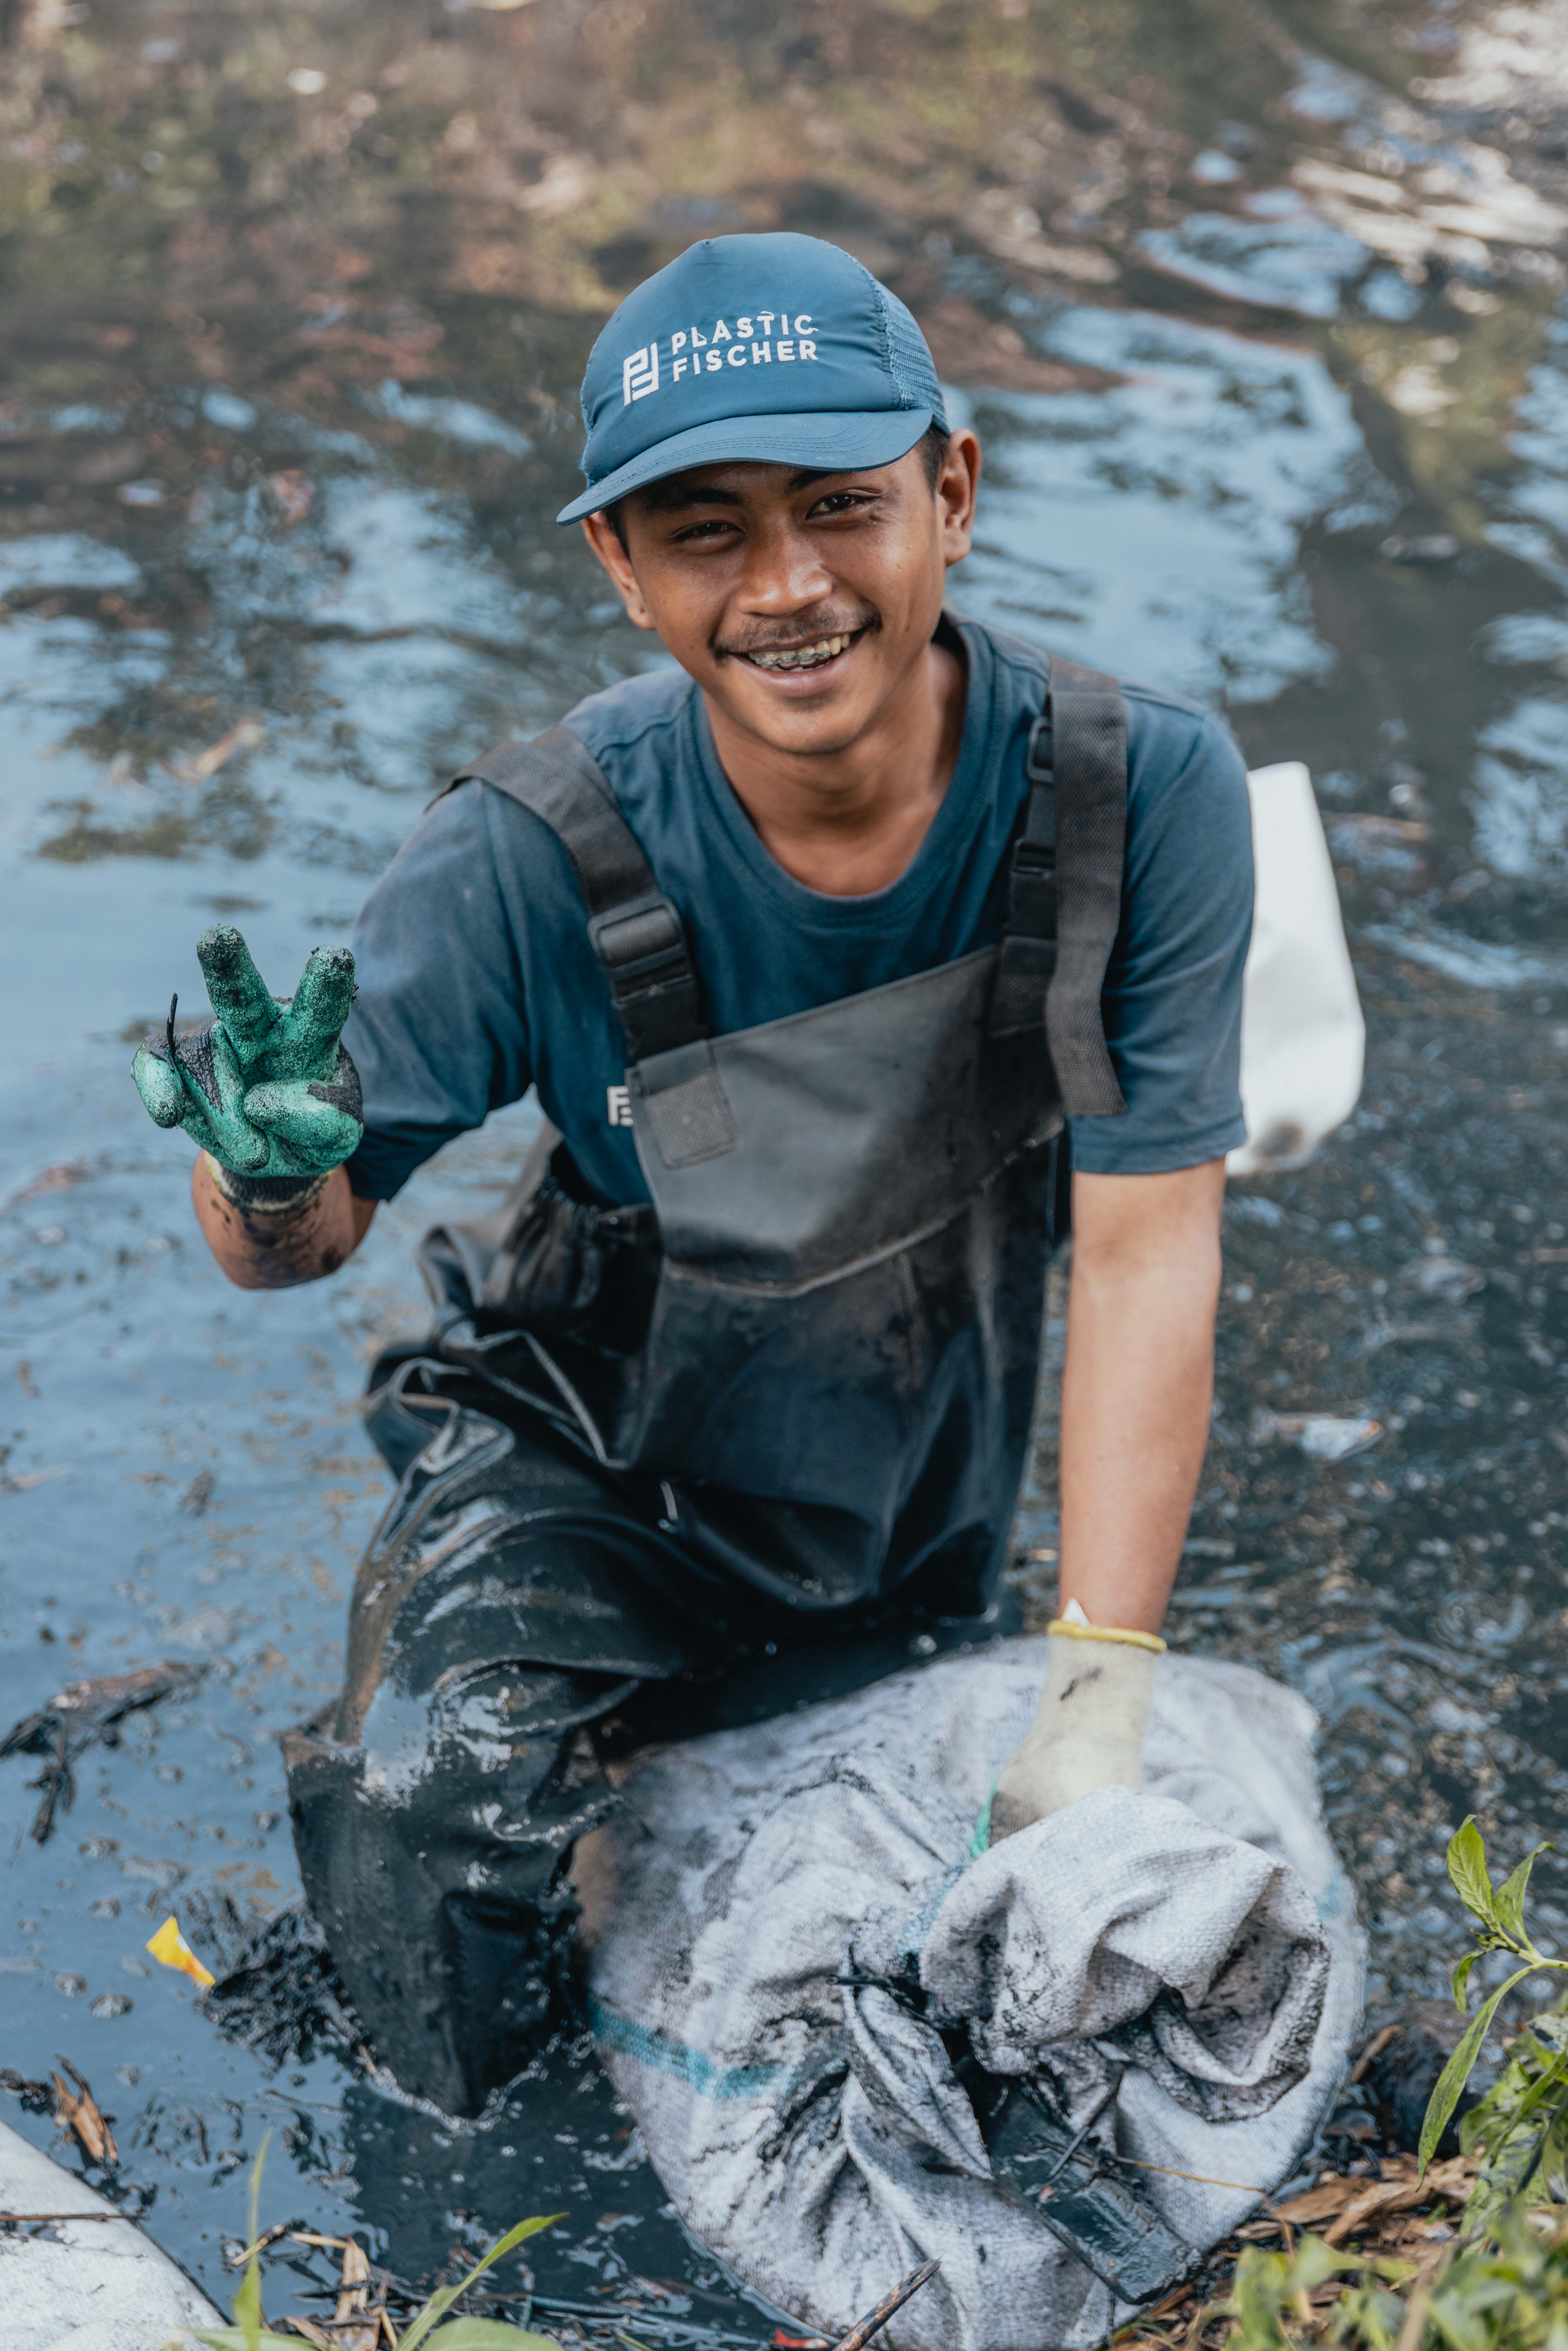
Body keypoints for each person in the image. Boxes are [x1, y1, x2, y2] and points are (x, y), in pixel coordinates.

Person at [133, 231, 1252, 2118]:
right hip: (583, 1460)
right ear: (620, 567)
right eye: (707, 527)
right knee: (414, 1819)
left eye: (841, 506)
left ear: (951, 493)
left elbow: (1149, 1256)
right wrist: (257, 1181)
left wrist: (1101, 1686)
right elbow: (294, 1243)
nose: (791, 585)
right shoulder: (520, 852)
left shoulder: (1140, 798)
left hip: (914, 1492)